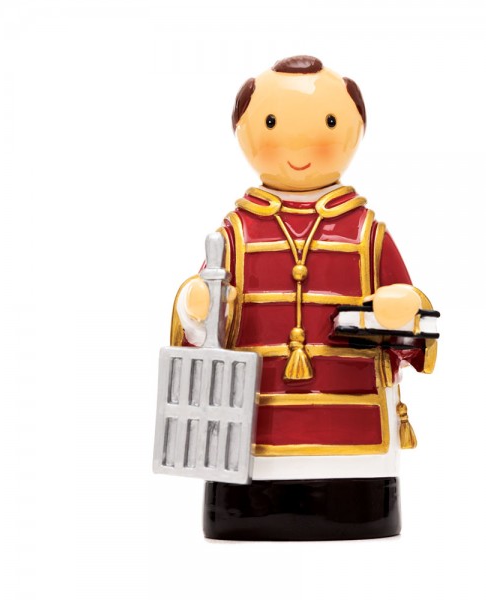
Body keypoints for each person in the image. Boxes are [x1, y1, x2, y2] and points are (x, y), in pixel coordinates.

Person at [171, 55, 437, 540]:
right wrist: (197, 307)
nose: (299, 145)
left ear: (355, 127)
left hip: (353, 426)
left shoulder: (367, 232)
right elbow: (199, 326)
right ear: (244, 128)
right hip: (252, 429)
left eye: (329, 122)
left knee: (354, 486)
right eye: (272, 123)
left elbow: (413, 320)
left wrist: (401, 306)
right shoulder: (234, 233)